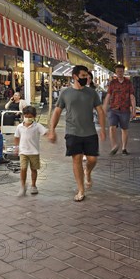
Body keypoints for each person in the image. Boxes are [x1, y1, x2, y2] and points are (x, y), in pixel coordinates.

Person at [48, 65, 106, 202]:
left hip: (90, 131)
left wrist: (103, 129)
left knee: (92, 159)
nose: (86, 78)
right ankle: (81, 189)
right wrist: (52, 130)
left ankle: (88, 172)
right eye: (83, 76)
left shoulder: (92, 93)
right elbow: (57, 112)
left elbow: (100, 111)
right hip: (72, 131)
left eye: (87, 76)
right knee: (77, 159)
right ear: (75, 77)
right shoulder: (65, 93)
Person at [14, 106, 48, 196]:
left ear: (34, 116)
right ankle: (22, 186)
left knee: (34, 169)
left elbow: (45, 132)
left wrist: (51, 135)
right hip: (23, 152)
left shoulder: (37, 126)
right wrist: (16, 147)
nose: (28, 118)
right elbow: (16, 137)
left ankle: (33, 185)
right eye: (26, 116)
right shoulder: (19, 127)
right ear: (23, 116)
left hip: (34, 152)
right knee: (23, 168)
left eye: (30, 116)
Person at [103, 64, 136, 155]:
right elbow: (108, 95)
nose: (119, 73)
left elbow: (132, 96)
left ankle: (124, 148)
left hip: (125, 109)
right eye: (117, 71)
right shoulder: (112, 83)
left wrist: (134, 110)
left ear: (123, 72)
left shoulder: (128, 83)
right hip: (113, 109)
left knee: (124, 129)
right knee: (112, 127)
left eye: (121, 71)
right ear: (116, 72)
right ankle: (114, 145)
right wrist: (104, 108)